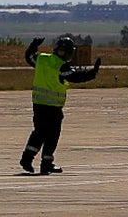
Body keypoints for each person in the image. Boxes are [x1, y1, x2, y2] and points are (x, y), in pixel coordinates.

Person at [18, 35, 101, 174]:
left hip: (39, 104)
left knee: (40, 133)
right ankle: (36, 161)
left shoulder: (42, 59)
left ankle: (37, 161)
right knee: (51, 134)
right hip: (53, 107)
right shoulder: (61, 65)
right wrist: (92, 73)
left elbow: (29, 57)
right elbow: (75, 77)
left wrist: (33, 45)